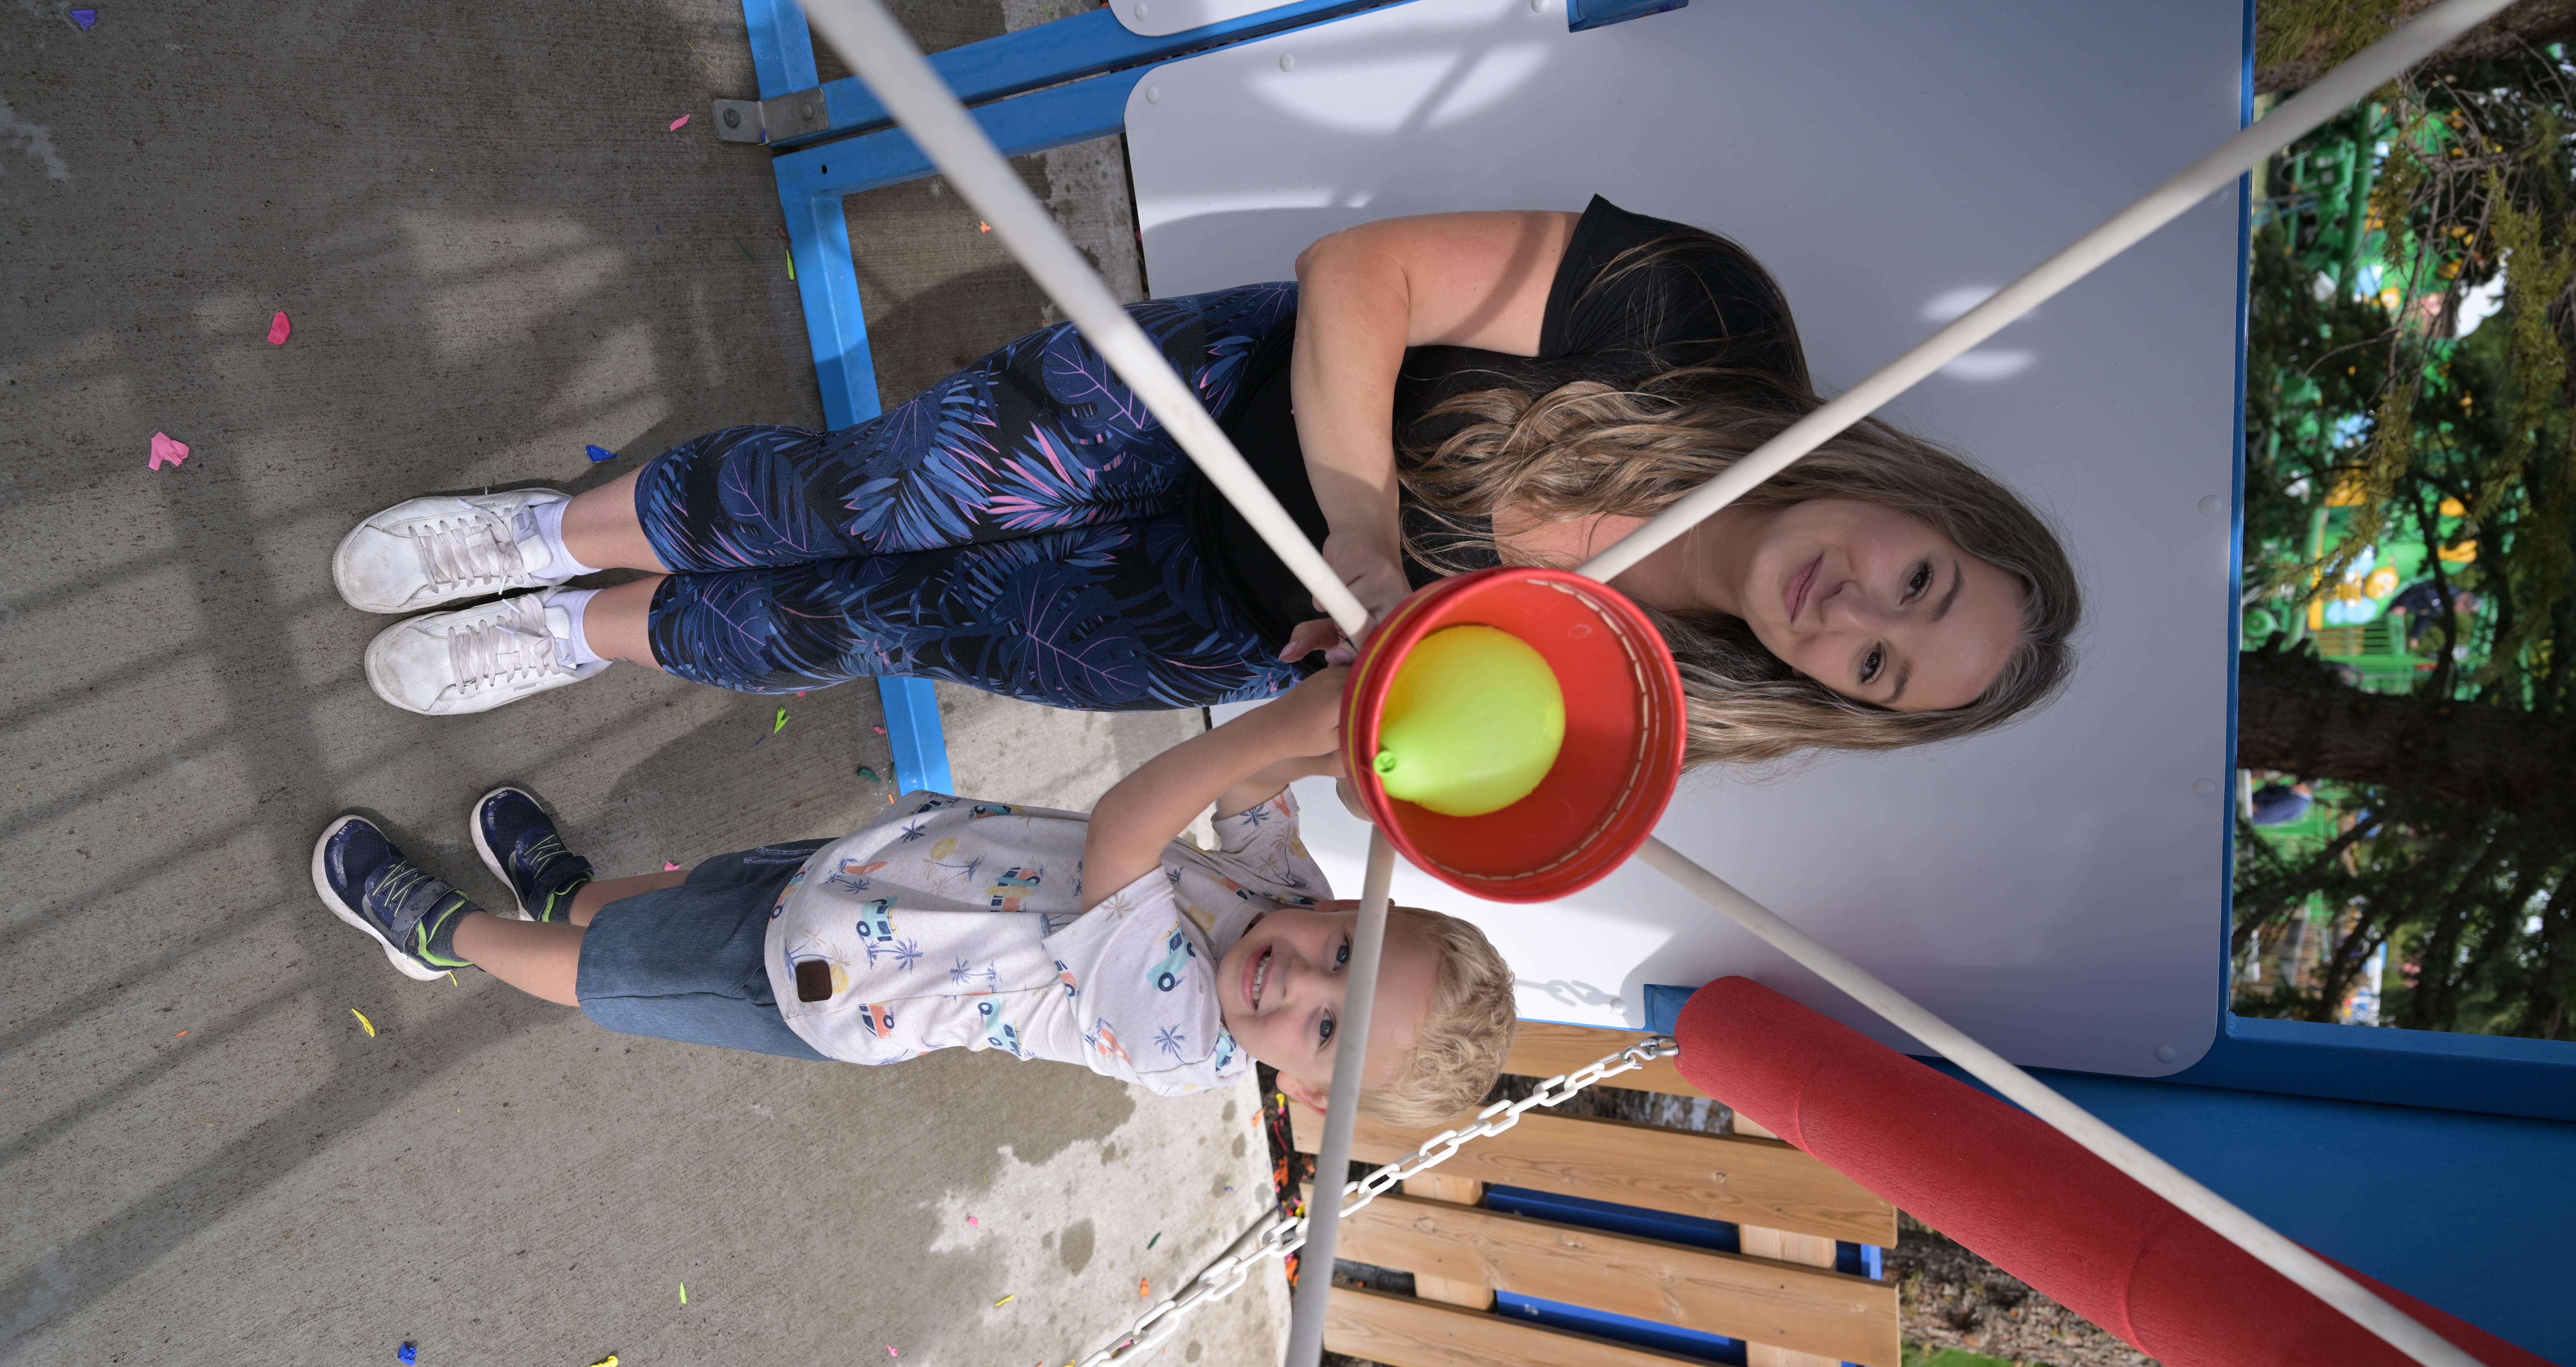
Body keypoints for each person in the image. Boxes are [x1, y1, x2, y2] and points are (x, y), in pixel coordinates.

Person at [334, 198, 2081, 767]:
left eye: (1877, 665)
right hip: (1196, 407)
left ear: (1837, 705)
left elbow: (1376, 737)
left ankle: (577, 625)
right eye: (1917, 581)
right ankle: (527, 527)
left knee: (874, 617)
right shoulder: (1704, 321)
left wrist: (1259, 761)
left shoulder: (1649, 713)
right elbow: (1361, 278)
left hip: (1198, 627)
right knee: (865, 500)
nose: (1855, 611)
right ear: (1921, 501)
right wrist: (1367, 530)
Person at [309, 666, 1516, 1124]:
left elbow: (1129, 828)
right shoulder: (1289, 900)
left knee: (611, 975)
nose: (1303, 974)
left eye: (1324, 1027)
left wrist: (1279, 724)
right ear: (1367, 905)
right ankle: (567, 891)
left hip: (832, 981)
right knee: (688, 893)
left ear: (1304, 1090)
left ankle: (445, 933)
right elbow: (1256, 789)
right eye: (1350, 950)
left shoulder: (1180, 1033)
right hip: (881, 877)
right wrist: (1329, 729)